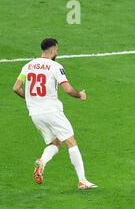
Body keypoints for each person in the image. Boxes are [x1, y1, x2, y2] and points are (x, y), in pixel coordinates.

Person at [12, 38, 97, 189]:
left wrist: (30, 100)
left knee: (55, 143)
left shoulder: (28, 66)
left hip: (35, 114)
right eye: (57, 50)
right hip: (51, 111)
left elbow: (16, 87)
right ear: (52, 50)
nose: (57, 52)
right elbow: (68, 89)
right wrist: (80, 95)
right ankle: (82, 180)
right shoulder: (55, 66)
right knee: (71, 142)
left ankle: (42, 162)